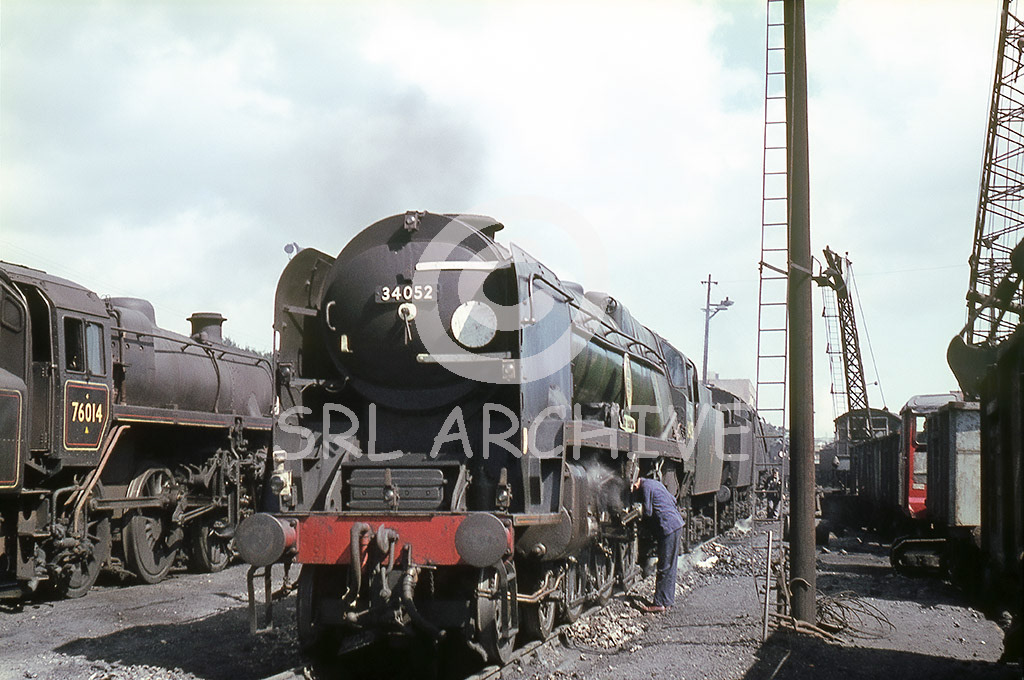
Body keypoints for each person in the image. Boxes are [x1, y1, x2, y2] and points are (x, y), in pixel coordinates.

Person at [632, 476, 685, 613]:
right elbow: (673, 500)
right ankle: (667, 601)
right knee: (670, 566)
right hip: (676, 525)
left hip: (668, 527)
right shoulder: (655, 484)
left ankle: (659, 603)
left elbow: (648, 512)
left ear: (634, 485)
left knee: (664, 566)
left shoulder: (645, 488)